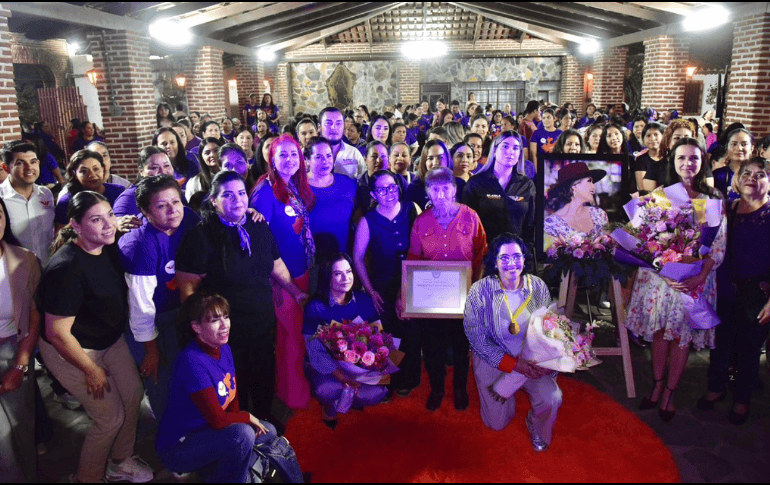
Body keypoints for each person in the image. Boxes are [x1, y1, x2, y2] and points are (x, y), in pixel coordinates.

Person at [39, 191, 153, 483]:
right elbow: (57, 333)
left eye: (110, 216)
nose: (107, 225)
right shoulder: (66, 268)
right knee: (109, 417)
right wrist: (91, 370)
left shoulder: (108, 246)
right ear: (76, 226)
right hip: (70, 349)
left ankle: (119, 462)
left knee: (132, 395)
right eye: (96, 220)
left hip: (107, 339)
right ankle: (86, 478)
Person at [177, 171, 308, 422]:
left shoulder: (257, 226)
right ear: (213, 200)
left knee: (263, 376)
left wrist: (297, 292)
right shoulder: (200, 237)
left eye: (241, 193)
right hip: (224, 331)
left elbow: (275, 265)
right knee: (233, 384)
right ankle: (240, 427)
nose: (237, 199)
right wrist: (199, 332)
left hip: (260, 322)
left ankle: (264, 420)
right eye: (227, 195)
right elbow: (188, 290)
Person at [627, 138, 726, 422]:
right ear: (673, 161)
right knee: (660, 333)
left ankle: (670, 392)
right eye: (681, 158)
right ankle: (657, 385)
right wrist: (663, 270)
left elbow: (716, 245)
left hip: (693, 281)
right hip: (662, 282)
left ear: (702, 162)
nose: (687, 164)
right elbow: (644, 240)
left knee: (681, 337)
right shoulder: (661, 195)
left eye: (693, 159)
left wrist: (701, 276)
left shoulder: (709, 198)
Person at [156, 291, 293, 483]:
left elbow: (232, 396)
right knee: (243, 434)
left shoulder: (224, 348)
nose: (224, 325)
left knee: (268, 430)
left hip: (209, 434)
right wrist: (245, 419)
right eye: (214, 320)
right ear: (196, 327)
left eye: (226, 317)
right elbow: (219, 421)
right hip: (180, 446)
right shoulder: (191, 362)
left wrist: (241, 423)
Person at [463, 233, 560, 451]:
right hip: (494, 361)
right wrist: (514, 366)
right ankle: (508, 395)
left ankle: (536, 424)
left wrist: (546, 363)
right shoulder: (479, 291)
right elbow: (477, 339)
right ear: (494, 262)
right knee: (496, 424)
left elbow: (548, 328)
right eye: (504, 258)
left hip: (532, 360)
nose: (511, 263)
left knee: (552, 398)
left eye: (517, 257)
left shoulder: (538, 287)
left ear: (524, 260)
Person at [404, 167, 487, 411]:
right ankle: (437, 388)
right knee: (433, 348)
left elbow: (481, 254)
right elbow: (414, 259)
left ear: (454, 189)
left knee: (461, 346)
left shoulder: (471, 217)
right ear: (428, 191)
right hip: (432, 299)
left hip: (463, 298)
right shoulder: (421, 222)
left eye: (445, 188)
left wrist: (475, 291)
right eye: (434, 189)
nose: (440, 194)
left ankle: (460, 388)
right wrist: (407, 297)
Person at [118, 175, 200, 421]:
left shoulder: (189, 219)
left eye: (176, 201)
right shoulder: (140, 244)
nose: (173, 210)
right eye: (161, 205)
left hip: (178, 311)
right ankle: (169, 437)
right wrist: (150, 350)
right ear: (144, 210)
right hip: (146, 320)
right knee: (158, 376)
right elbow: (140, 307)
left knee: (184, 373)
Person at [698, 158, 770, 425]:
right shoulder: (726, 209)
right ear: (736, 181)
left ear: (768, 182)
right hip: (725, 288)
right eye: (746, 173)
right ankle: (716, 388)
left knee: (750, 349)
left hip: (757, 294)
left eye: (760, 174)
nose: (752, 178)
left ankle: (742, 400)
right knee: (720, 344)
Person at [250, 135, 316, 411]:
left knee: (297, 337)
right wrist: (289, 286)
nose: (289, 160)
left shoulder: (293, 186)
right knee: (288, 339)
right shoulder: (265, 191)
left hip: (302, 270)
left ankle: (298, 388)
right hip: (282, 278)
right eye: (283, 155)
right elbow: (261, 242)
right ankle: (292, 397)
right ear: (271, 159)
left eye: (294, 154)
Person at [353, 170, 421, 397]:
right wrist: (370, 290)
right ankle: (389, 382)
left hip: (412, 281)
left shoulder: (412, 209)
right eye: (382, 189)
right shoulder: (368, 220)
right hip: (383, 285)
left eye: (392, 187)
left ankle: (409, 379)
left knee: (411, 332)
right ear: (373, 194)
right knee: (389, 336)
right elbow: (358, 258)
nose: (389, 193)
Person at [302, 254, 387, 428]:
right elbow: (313, 349)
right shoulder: (316, 306)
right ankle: (330, 406)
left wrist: (367, 367)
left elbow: (378, 338)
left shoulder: (364, 300)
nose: (345, 278)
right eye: (337, 274)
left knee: (377, 392)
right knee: (327, 390)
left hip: (357, 364)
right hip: (327, 365)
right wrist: (341, 375)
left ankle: (352, 400)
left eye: (348, 272)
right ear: (328, 277)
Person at [0, 197, 41, 481]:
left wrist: (21, 363)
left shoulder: (24, 258)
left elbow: (35, 314)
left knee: (21, 427)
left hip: (13, 349)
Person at [463, 131, 535, 249]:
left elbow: (530, 227)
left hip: (514, 258)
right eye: (505, 146)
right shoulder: (476, 183)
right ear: (495, 150)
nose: (510, 152)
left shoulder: (527, 185)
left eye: (516, 148)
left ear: (520, 154)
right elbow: (466, 225)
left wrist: (527, 257)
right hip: (484, 256)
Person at [0, 141, 56, 265]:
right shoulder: (1, 198)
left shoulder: (45, 194)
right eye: (20, 163)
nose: (29, 167)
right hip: (14, 273)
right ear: (6, 168)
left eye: (33, 162)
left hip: (48, 268)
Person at [305, 137, 357, 263]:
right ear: (307, 160)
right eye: (318, 157)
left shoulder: (347, 184)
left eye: (328, 156)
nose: (325, 161)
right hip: (307, 262)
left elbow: (357, 220)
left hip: (342, 261)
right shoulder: (297, 187)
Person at [55, 150, 125, 230]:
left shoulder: (119, 192)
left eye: (96, 169)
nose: (91, 175)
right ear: (74, 174)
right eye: (84, 171)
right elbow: (60, 235)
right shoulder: (67, 201)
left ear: (103, 169)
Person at [544, 162, 608, 240]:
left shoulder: (599, 214)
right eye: (589, 181)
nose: (593, 187)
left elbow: (609, 247)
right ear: (574, 186)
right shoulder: (551, 224)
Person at [112, 146, 177, 222]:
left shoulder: (175, 192)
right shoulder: (130, 197)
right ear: (141, 171)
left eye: (166, 166)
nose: (162, 172)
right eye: (154, 167)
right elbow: (115, 224)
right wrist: (118, 224)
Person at [405, 139, 454, 210]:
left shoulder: (458, 184)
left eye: (440, 157)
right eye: (430, 158)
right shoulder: (414, 188)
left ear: (447, 159)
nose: (435, 163)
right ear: (424, 162)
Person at [318, 108, 367, 179]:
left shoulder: (353, 153)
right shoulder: (308, 154)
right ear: (319, 127)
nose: (334, 127)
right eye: (328, 123)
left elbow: (364, 180)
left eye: (338, 123)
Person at [712, 128, 755, 200]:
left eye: (744, 144)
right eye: (734, 144)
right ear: (727, 148)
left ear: (752, 148)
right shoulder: (717, 175)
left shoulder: (759, 176)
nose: (739, 148)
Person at [185, 137, 224, 201]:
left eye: (216, 150)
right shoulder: (195, 182)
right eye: (207, 153)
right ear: (202, 157)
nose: (212, 155)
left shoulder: (233, 175)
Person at [633, 122, 665, 195]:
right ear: (643, 140)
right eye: (648, 136)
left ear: (663, 137)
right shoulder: (640, 160)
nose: (652, 138)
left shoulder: (670, 157)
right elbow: (643, 189)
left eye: (656, 134)